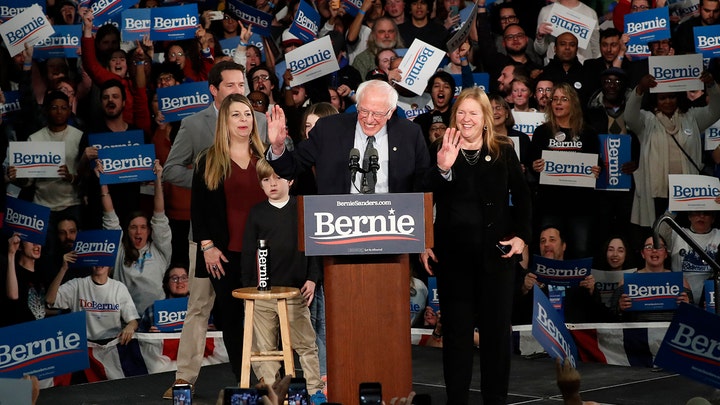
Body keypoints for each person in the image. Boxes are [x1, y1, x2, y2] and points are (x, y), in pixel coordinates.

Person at [420, 87, 531, 405]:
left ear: (485, 118)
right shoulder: (441, 147)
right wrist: (443, 167)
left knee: (496, 336)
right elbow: (423, 195)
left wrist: (521, 237)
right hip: (453, 259)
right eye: (462, 113)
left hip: (496, 258)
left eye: (473, 113)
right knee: (456, 336)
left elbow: (522, 197)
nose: (467, 119)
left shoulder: (504, 150)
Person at [162, 60, 266, 399]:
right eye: (231, 86)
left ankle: (263, 377)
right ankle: (184, 379)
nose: (239, 91)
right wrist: (210, 186)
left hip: (250, 237)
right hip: (208, 238)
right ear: (214, 90)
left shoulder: (262, 121)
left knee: (257, 309)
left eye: (242, 85)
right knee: (199, 307)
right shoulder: (194, 124)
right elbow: (171, 170)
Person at [191, 93, 267, 384]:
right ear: (225, 120)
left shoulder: (265, 158)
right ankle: (245, 379)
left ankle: (271, 375)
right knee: (234, 320)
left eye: (247, 114)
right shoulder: (209, 160)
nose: (244, 120)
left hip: (262, 253)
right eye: (236, 115)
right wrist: (207, 246)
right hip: (224, 255)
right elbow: (198, 209)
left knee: (264, 318)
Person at [241, 159, 326, 405]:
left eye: (277, 178)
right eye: (266, 180)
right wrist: (249, 290)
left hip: (295, 292)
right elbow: (248, 253)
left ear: (290, 180)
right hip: (264, 294)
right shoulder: (257, 213)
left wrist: (312, 279)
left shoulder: (302, 207)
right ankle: (272, 393)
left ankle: (315, 390)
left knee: (306, 345)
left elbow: (314, 247)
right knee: (267, 350)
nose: (272, 184)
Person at [266, 79, 431, 195]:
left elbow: (424, 185)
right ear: (357, 105)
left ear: (391, 111)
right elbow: (291, 168)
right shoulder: (328, 129)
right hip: (339, 223)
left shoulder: (410, 134)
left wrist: (443, 170)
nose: (369, 119)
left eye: (378, 113)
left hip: (392, 222)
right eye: (364, 111)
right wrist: (278, 147)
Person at [626, 72, 720, 229]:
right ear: (656, 99)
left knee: (684, 236)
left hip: (686, 193)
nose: (668, 101)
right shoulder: (646, 120)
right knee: (658, 237)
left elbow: (716, 110)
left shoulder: (692, 117)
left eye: (672, 96)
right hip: (656, 193)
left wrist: (711, 86)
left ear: (679, 97)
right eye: (662, 98)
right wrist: (640, 89)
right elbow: (629, 117)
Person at [531, 83, 601, 259]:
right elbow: (531, 163)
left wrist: (597, 170)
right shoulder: (542, 132)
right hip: (550, 205)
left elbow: (597, 165)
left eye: (564, 99)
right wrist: (535, 166)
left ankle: (578, 287)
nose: (558, 103)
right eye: (555, 99)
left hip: (580, 207)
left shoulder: (588, 133)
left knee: (580, 251)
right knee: (549, 253)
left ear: (573, 104)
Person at [101, 160, 172, 315]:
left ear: (149, 231)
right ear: (127, 231)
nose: (138, 232)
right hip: (127, 316)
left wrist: (157, 178)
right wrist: (103, 181)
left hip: (157, 316)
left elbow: (159, 216)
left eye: (143, 227)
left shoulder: (160, 251)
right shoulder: (119, 251)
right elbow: (110, 218)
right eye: (133, 227)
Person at [47, 257, 139, 344]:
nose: (99, 263)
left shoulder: (119, 288)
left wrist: (130, 327)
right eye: (96, 259)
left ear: (110, 263)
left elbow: (133, 321)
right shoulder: (77, 285)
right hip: (83, 345)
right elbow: (50, 300)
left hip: (111, 346)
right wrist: (63, 269)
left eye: (103, 259)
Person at [611, 235, 692, 321]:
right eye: (649, 247)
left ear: (665, 254)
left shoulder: (681, 282)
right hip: (639, 333)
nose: (654, 250)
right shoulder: (626, 282)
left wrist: (687, 306)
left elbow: (693, 317)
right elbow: (612, 316)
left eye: (659, 247)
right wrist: (620, 308)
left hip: (670, 332)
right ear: (642, 253)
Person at [667, 211, 720, 304]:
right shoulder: (678, 233)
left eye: (706, 214)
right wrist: (672, 209)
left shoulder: (718, 235)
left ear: (713, 218)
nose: (701, 216)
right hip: (680, 298)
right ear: (689, 216)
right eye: (696, 213)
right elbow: (660, 233)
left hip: (712, 299)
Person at [139, 264, 191, 332]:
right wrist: (149, 335)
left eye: (184, 278)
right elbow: (140, 338)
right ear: (167, 283)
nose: (180, 281)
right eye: (174, 278)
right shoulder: (151, 310)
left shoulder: (201, 309)